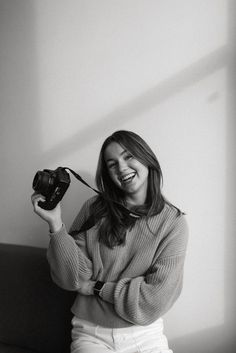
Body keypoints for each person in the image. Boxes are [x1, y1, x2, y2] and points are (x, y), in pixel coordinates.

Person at [31, 130, 188, 353]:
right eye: (112, 164)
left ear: (147, 159)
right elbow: (72, 279)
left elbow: (152, 301)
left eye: (128, 156)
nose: (122, 168)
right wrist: (55, 225)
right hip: (92, 334)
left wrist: (97, 287)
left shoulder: (173, 223)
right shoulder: (94, 209)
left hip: (145, 335)